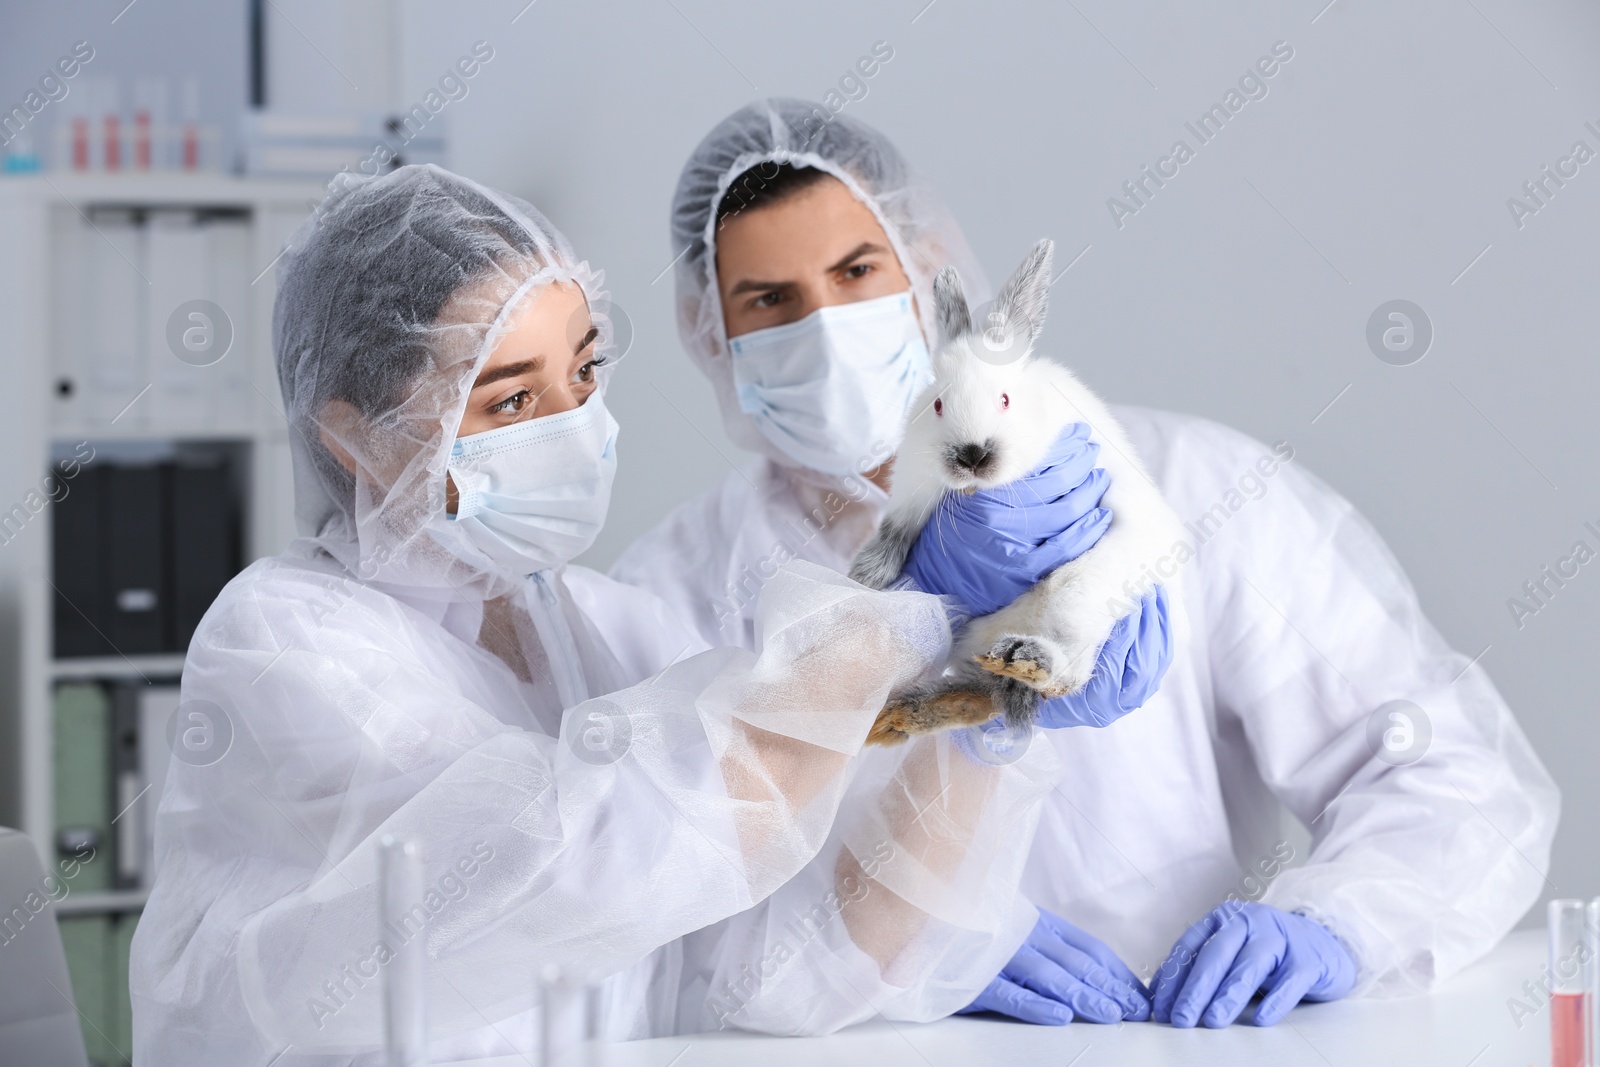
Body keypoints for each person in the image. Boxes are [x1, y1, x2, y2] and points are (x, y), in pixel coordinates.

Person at [610, 99, 1561, 1027]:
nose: (823, 327)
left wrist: (1337, 922)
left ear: (930, 268)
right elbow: (667, 919)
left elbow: (1447, 772)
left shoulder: (1195, 488)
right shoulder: (678, 588)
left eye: (858, 270)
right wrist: (915, 958)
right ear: (713, 334)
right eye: (769, 301)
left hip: (1193, 1031)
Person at [128, 164, 1088, 1064]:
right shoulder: (287, 641)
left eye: (582, 374)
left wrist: (977, 706)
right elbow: (573, 862)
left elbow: (762, 963)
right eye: (509, 400)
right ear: (360, 436)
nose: (574, 423)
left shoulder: (592, 624)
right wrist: (906, 615)